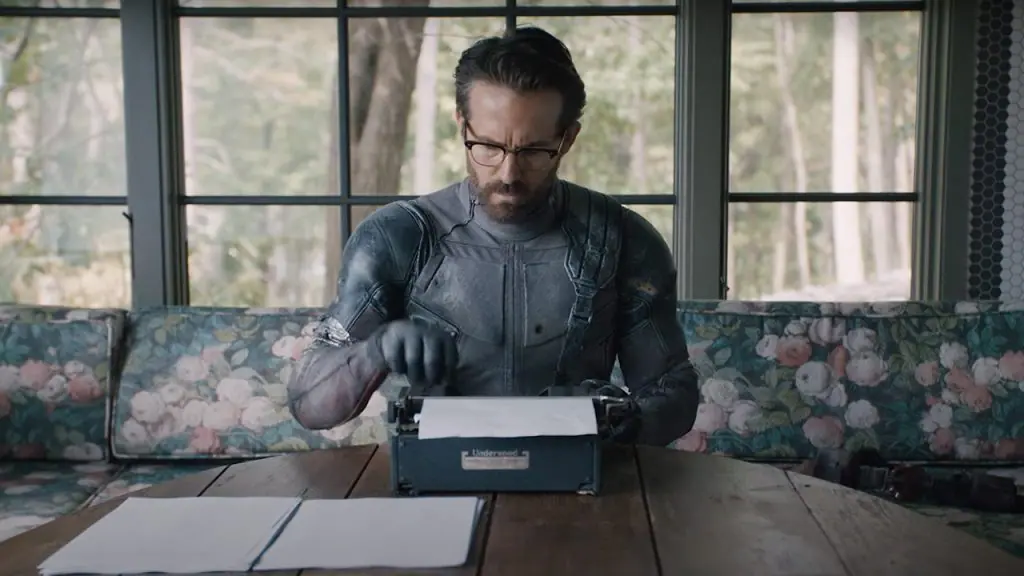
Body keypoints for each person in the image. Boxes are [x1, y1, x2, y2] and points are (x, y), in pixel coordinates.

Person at [287, 26, 699, 446]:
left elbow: (671, 389)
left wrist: (627, 420)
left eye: (533, 151)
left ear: (568, 138)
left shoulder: (624, 239)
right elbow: (308, 405)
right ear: (461, 125)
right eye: (488, 146)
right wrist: (374, 351)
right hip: (438, 472)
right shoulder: (398, 237)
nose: (508, 173)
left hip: (583, 471)